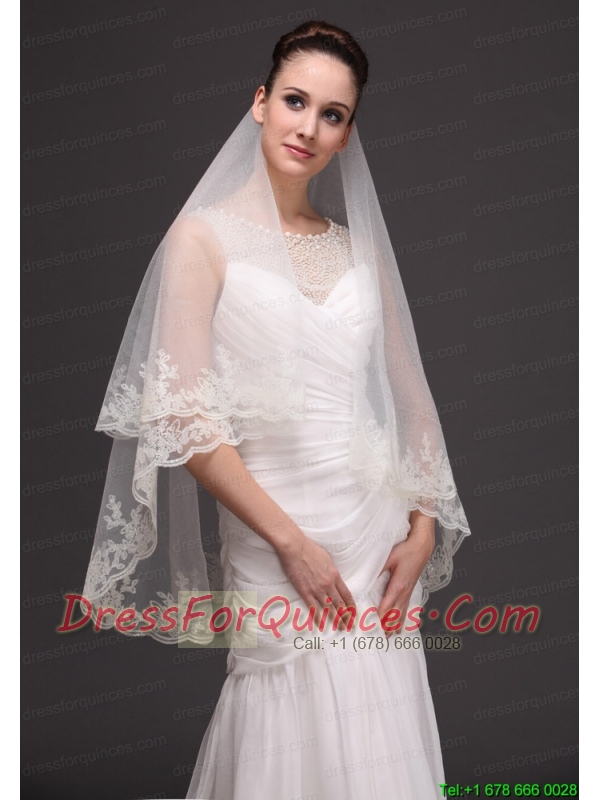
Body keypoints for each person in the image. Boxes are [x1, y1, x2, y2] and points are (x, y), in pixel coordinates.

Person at [81, 20, 471, 800]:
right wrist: (290, 543)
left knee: (375, 723)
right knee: (281, 710)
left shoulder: (358, 249)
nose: (309, 127)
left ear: (346, 133)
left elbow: (413, 402)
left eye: (332, 114)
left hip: (375, 539)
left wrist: (424, 525)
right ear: (260, 102)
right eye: (295, 101)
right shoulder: (201, 240)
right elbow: (184, 421)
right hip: (274, 532)